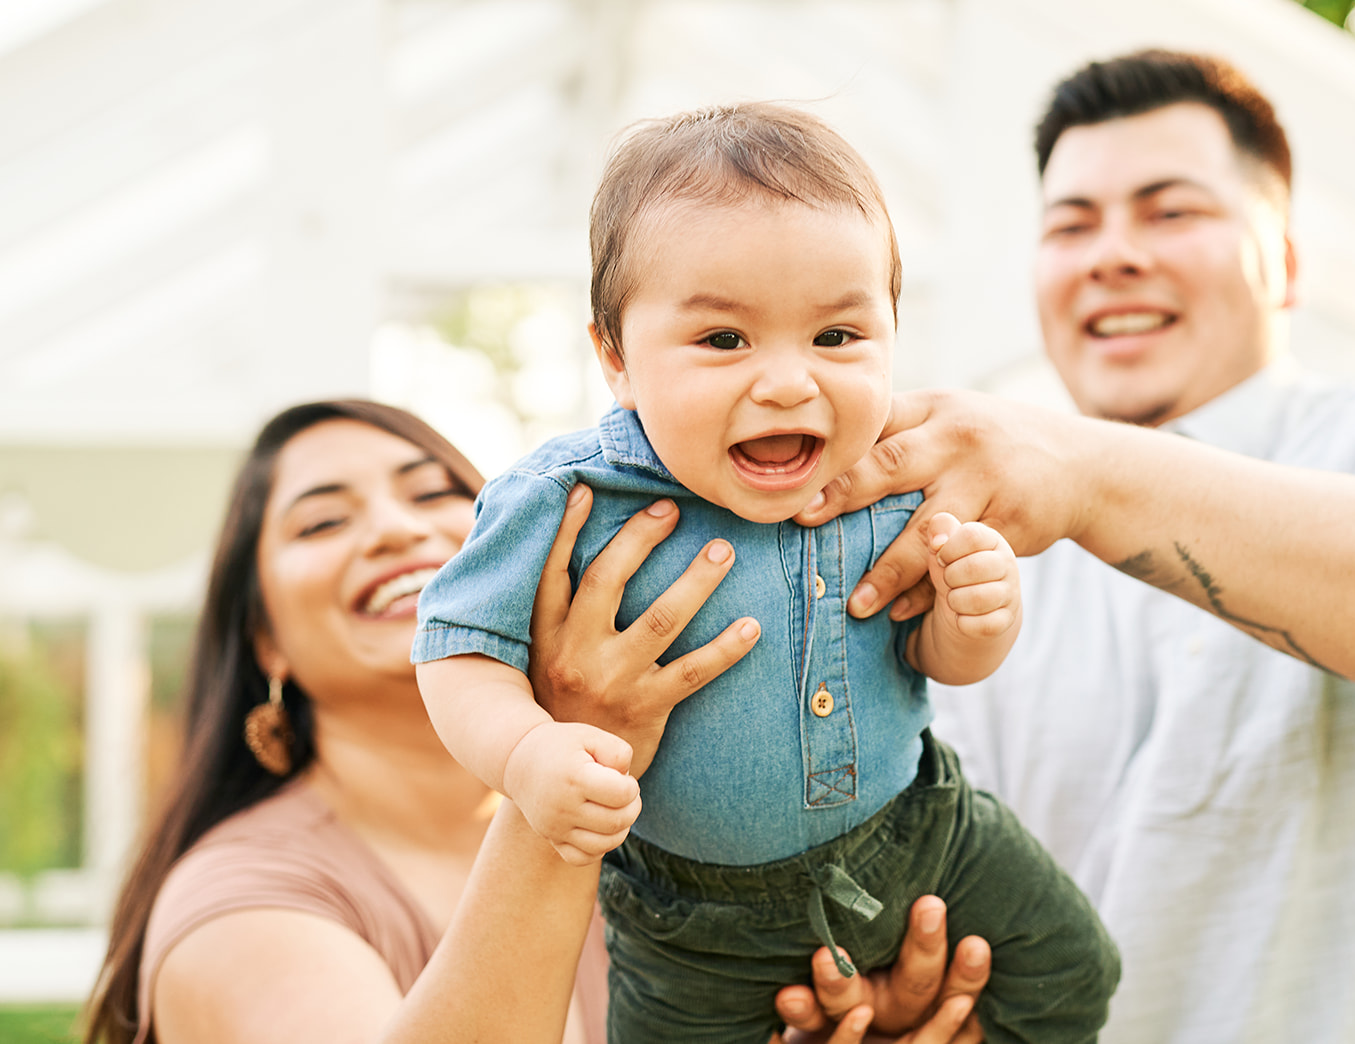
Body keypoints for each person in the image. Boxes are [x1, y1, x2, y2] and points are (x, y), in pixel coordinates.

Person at [783, 50, 1355, 1043]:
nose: (1111, 254)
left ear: (1287, 264)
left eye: (1171, 212)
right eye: (1070, 225)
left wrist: (1082, 470)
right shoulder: (965, 544)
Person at [412, 103, 1119, 1043]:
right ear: (616, 357)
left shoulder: (893, 472)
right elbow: (458, 649)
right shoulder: (568, 497)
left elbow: (935, 659)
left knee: (1072, 971)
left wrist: (978, 621)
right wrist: (524, 752)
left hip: (920, 833)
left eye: (837, 338)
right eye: (724, 341)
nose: (790, 382)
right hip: (695, 915)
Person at [81, 399, 980, 1044]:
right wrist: (583, 742)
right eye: (322, 522)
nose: (396, 531)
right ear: (265, 641)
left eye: (434, 495)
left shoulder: (666, 833)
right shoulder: (238, 901)